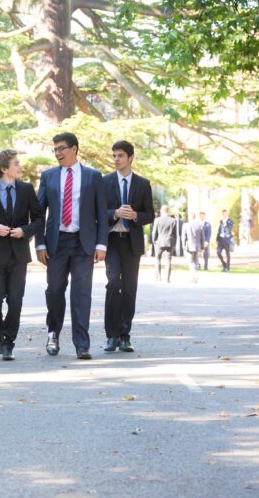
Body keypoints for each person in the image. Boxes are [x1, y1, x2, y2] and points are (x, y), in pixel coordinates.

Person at [36, 132, 108, 360]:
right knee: (55, 290)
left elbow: (101, 214)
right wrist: (39, 243)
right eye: (55, 149)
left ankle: (82, 344)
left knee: (81, 293)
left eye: (62, 148)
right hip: (56, 242)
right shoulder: (48, 176)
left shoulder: (93, 176)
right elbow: (39, 213)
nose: (58, 153)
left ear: (74, 149)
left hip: (83, 243)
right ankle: (53, 333)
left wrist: (102, 244)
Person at [0, 149, 44, 361]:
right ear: (4, 168)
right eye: (16, 164)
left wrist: (25, 231)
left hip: (19, 255)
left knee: (15, 301)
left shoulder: (26, 189)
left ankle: (8, 343)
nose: (20, 167)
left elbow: (39, 219)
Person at [102, 140, 155, 353]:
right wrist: (114, 213)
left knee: (130, 288)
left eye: (120, 155)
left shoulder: (143, 184)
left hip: (132, 243)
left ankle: (125, 335)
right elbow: (98, 212)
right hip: (112, 241)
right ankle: (111, 335)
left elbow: (149, 214)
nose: (116, 159)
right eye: (114, 155)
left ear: (130, 157)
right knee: (114, 283)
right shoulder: (104, 182)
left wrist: (135, 216)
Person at [152, 205, 177, 282]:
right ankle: (167, 279)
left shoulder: (157, 220)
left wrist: (154, 242)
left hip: (159, 242)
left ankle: (158, 277)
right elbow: (175, 234)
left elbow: (154, 233)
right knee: (168, 260)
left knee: (157, 259)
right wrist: (174, 243)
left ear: (161, 211)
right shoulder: (173, 220)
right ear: (168, 211)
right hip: (170, 242)